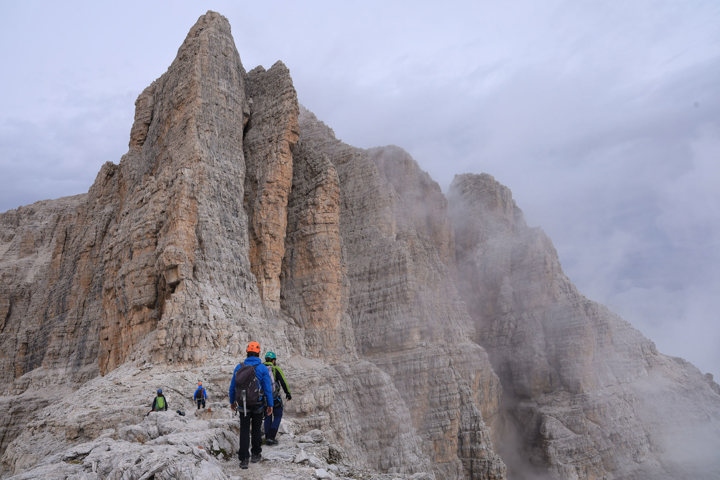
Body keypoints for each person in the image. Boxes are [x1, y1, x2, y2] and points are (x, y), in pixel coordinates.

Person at [229, 341, 274, 469]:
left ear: (247, 352)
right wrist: (270, 404)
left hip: (243, 404)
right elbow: (268, 388)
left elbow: (233, 387)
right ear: (258, 353)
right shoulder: (262, 368)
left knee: (244, 430)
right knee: (256, 429)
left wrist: (232, 401)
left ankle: (244, 459)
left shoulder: (239, 367)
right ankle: (255, 454)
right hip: (258, 404)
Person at [262, 351, 292, 445]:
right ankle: (271, 437)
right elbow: (283, 382)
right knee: (278, 415)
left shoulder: (261, 368)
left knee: (267, 416)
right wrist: (288, 393)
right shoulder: (275, 369)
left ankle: (267, 437)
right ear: (274, 360)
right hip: (275, 398)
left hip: (264, 398)